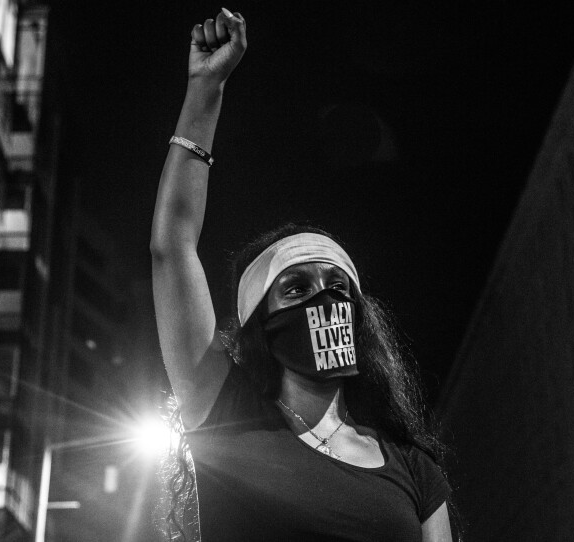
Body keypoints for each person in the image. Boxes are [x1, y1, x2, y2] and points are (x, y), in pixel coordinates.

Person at [151, 8, 455, 542]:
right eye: (296, 288)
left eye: (337, 288)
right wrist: (205, 89)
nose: (322, 301)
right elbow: (172, 246)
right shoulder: (226, 415)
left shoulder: (414, 472)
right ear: (259, 322)